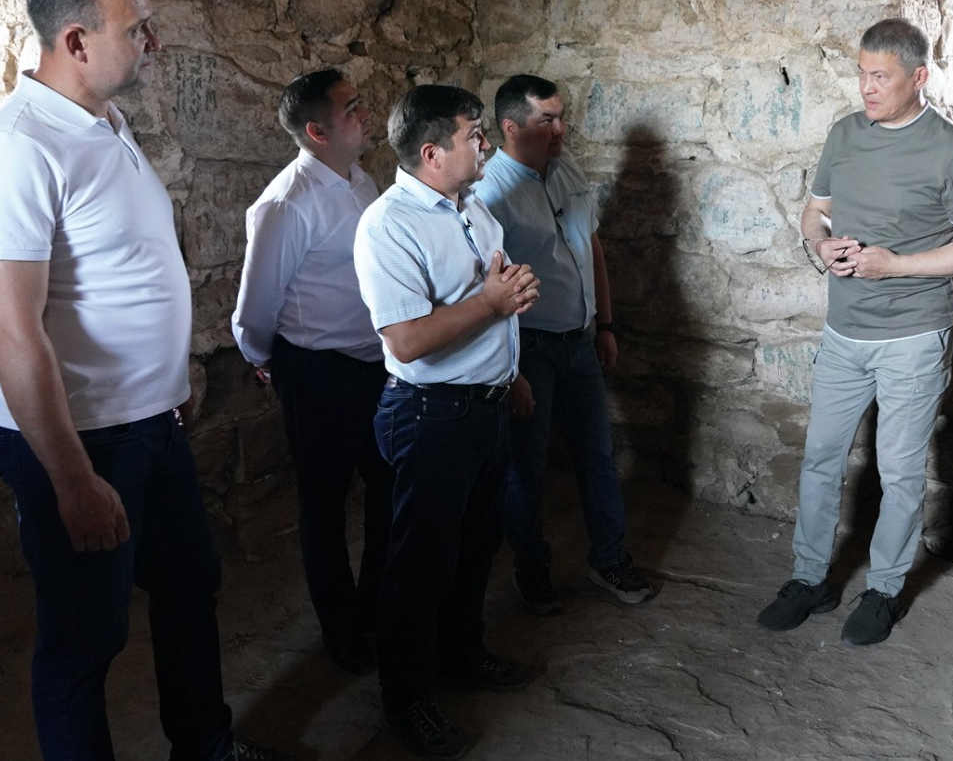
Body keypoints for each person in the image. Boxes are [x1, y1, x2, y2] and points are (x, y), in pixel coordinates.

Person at [0, 0, 290, 761]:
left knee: (188, 586)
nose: (152, 43)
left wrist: (170, 383)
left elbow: (124, 273)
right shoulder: (15, 152)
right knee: (85, 637)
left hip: (148, 422)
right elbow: (12, 333)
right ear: (75, 40)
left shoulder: (104, 125)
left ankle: (205, 747)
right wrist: (71, 479)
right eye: (137, 29)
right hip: (79, 439)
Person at [756, 17, 953, 645]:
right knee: (821, 458)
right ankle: (809, 578)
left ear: (919, 77)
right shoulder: (845, 133)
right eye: (862, 74)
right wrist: (820, 246)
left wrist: (896, 265)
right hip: (845, 331)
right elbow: (815, 212)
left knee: (898, 471)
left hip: (914, 336)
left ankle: (885, 590)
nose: (866, 88)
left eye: (880, 77)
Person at [354, 84, 541, 759]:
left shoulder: (472, 207)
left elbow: (489, 297)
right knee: (420, 565)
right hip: (431, 414)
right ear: (432, 153)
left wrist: (510, 368)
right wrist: (493, 303)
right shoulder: (388, 225)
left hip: (483, 407)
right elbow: (406, 341)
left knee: (475, 546)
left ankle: (461, 652)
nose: (485, 143)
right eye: (473, 134)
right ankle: (406, 698)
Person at [231, 68, 391, 674]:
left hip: (374, 364)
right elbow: (255, 306)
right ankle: (341, 628)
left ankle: (375, 607)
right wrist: (265, 360)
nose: (366, 114)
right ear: (318, 131)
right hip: (317, 371)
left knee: (388, 488)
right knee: (323, 505)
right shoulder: (286, 204)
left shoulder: (362, 182)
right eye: (353, 107)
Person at [480, 74, 654, 613]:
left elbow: (589, 247)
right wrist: (510, 369)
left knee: (597, 455)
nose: (561, 129)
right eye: (547, 120)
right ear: (511, 127)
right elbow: (483, 291)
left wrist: (605, 324)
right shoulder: (489, 193)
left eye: (562, 117)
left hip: (578, 341)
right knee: (525, 467)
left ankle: (609, 559)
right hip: (528, 347)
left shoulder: (566, 169)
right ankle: (531, 569)